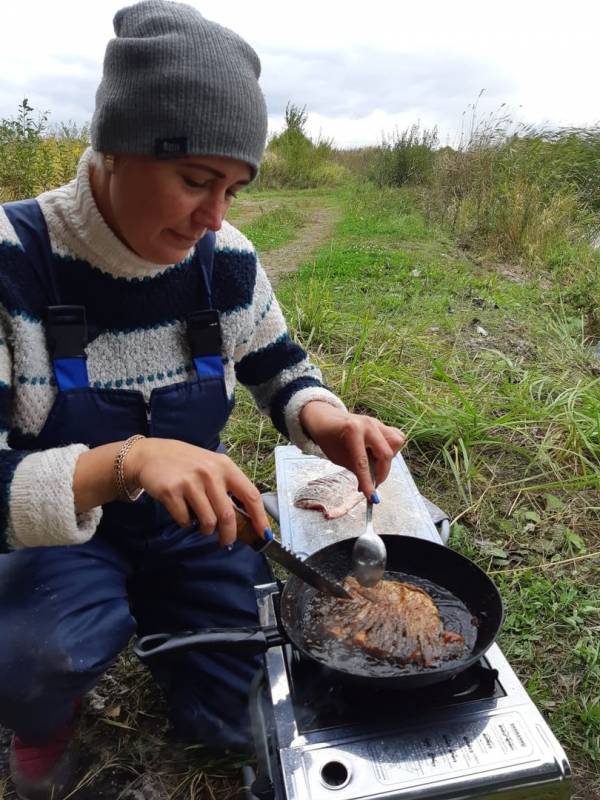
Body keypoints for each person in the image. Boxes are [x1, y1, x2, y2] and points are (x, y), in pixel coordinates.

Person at [0, 2, 406, 797]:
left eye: (234, 189)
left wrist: (324, 418)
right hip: (55, 539)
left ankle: (176, 641)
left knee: (232, 713)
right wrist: (126, 462)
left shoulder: (224, 259)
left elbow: (278, 364)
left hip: (197, 522)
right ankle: (43, 728)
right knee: (35, 655)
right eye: (195, 181)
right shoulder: (15, 261)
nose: (214, 217)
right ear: (116, 148)